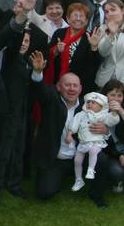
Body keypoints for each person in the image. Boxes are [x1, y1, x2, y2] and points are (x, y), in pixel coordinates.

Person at [28, 53, 109, 207]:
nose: (71, 89)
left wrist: (105, 130)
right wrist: (38, 72)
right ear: (58, 87)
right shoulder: (51, 98)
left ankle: (96, 195)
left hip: (80, 154)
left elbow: (105, 123)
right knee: (44, 193)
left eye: (75, 85)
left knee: (101, 159)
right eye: (67, 85)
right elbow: (39, 91)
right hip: (55, 159)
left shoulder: (88, 106)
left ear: (80, 89)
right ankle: (61, 178)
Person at [65, 92, 121, 191]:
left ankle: (91, 170)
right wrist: (69, 134)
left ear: (101, 106)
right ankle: (78, 180)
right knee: (77, 160)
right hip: (83, 143)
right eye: (88, 102)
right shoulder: (81, 115)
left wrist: (115, 113)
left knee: (93, 151)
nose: (90, 104)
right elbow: (74, 125)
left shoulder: (103, 115)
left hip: (96, 142)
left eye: (94, 103)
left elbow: (113, 120)